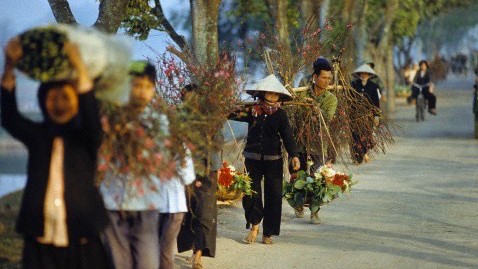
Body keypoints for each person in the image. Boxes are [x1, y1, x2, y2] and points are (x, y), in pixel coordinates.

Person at [1, 38, 111, 268]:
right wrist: (9, 66)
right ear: (43, 102)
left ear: (76, 102)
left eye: (66, 97)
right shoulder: (37, 136)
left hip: (83, 239)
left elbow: (91, 114)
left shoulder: (87, 137)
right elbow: (10, 116)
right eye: (54, 98)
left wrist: (78, 65)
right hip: (40, 238)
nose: (60, 104)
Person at [99, 61, 195, 269]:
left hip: (146, 205)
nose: (142, 92)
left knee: (148, 262)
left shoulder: (161, 123)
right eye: (136, 85)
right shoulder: (111, 119)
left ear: (153, 89)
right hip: (113, 202)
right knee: (118, 263)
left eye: (147, 87)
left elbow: (174, 161)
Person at [229, 74, 300, 245]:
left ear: (279, 96)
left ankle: (268, 232)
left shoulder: (281, 115)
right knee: (251, 193)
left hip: (273, 160)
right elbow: (230, 113)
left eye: (275, 94)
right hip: (252, 159)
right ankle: (254, 226)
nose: (271, 96)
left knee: (274, 196)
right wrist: (223, 104)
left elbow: (288, 136)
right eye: (268, 93)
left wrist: (294, 155)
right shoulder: (251, 110)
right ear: (262, 93)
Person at [177, 84, 218, 269]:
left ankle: (199, 253)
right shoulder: (179, 119)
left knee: (203, 212)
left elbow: (217, 143)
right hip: (184, 171)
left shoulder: (210, 119)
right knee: (188, 211)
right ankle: (193, 247)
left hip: (207, 170)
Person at [293, 57, 337, 224]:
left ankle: (314, 211)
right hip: (300, 141)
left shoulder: (331, 99)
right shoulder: (302, 92)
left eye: (329, 78)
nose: (326, 81)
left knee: (317, 177)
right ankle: (297, 204)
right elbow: (294, 111)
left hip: (319, 144)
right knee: (298, 174)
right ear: (315, 77)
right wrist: (302, 104)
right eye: (324, 78)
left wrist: (315, 109)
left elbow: (327, 118)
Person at [350, 64, 381, 164]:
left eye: (366, 74)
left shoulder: (374, 86)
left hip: (368, 115)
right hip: (355, 115)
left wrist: (377, 116)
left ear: (369, 75)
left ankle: (365, 153)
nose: (364, 75)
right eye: (362, 73)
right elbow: (350, 99)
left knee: (366, 135)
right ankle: (356, 158)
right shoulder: (354, 84)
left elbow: (376, 102)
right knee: (355, 136)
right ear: (359, 74)